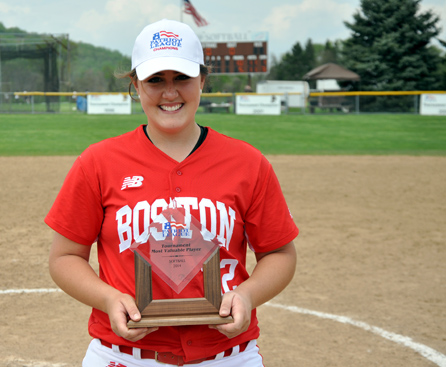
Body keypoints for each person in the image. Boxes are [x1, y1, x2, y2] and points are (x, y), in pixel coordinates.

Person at [46, 18, 298, 366]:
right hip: (124, 356)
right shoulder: (98, 162)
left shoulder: (248, 163)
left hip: (228, 356)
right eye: (155, 80)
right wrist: (107, 298)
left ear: (202, 80)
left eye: (182, 77)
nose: (169, 92)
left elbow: (280, 253)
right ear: (135, 84)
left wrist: (247, 295)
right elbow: (64, 258)